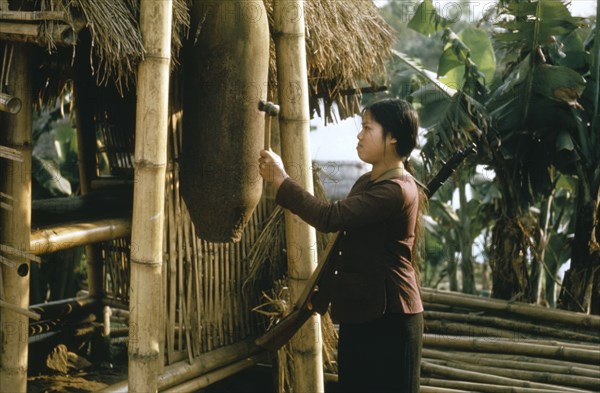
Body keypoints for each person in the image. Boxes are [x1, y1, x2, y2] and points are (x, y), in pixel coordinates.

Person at [258, 98, 424, 393]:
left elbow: (329, 217)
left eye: (367, 128)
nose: (359, 135)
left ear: (393, 137)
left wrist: (281, 180)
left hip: (391, 318)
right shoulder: (367, 183)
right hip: (362, 312)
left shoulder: (396, 191)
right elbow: (343, 233)